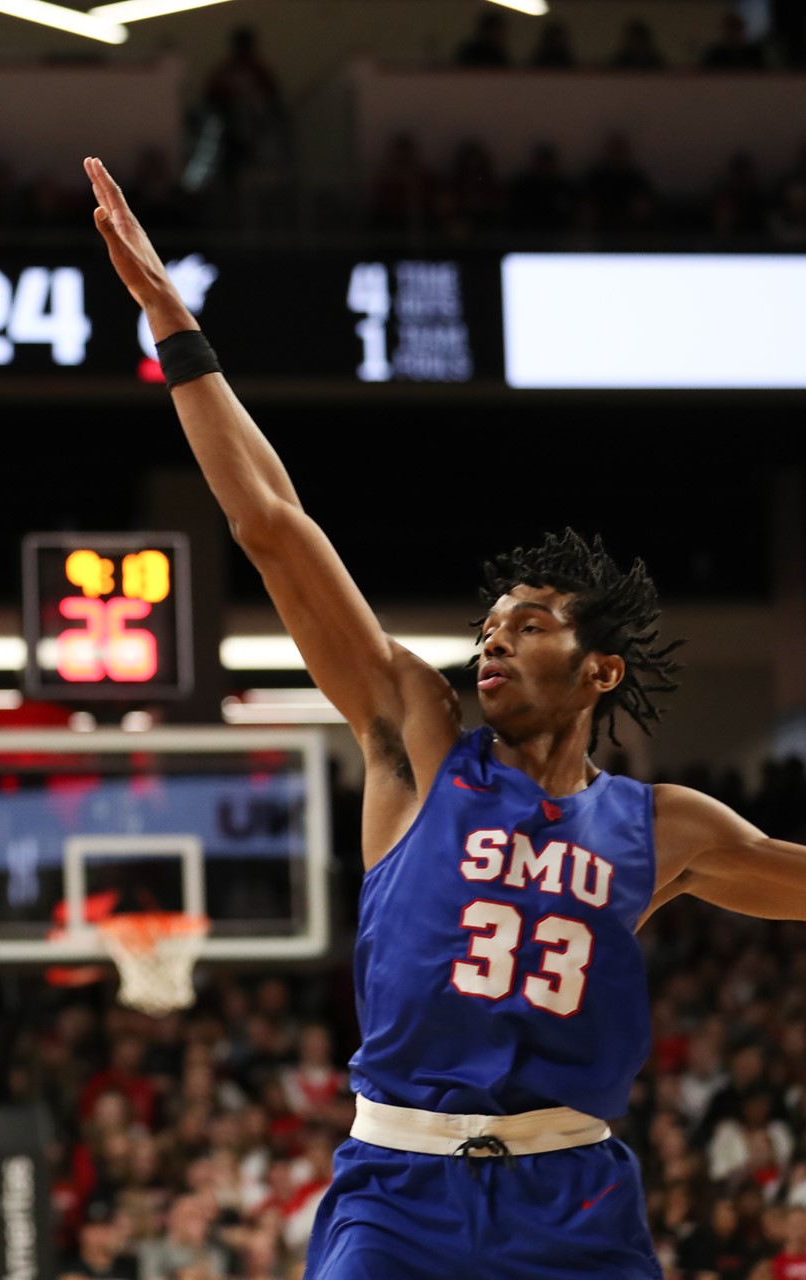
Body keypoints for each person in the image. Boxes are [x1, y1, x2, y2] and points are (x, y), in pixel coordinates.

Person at [82, 153, 806, 1279]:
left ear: (602, 670)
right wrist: (177, 330)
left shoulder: (668, 827)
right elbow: (273, 523)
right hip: (401, 1188)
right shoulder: (416, 734)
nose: (493, 641)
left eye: (527, 625)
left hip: (575, 1199)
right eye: (490, 625)